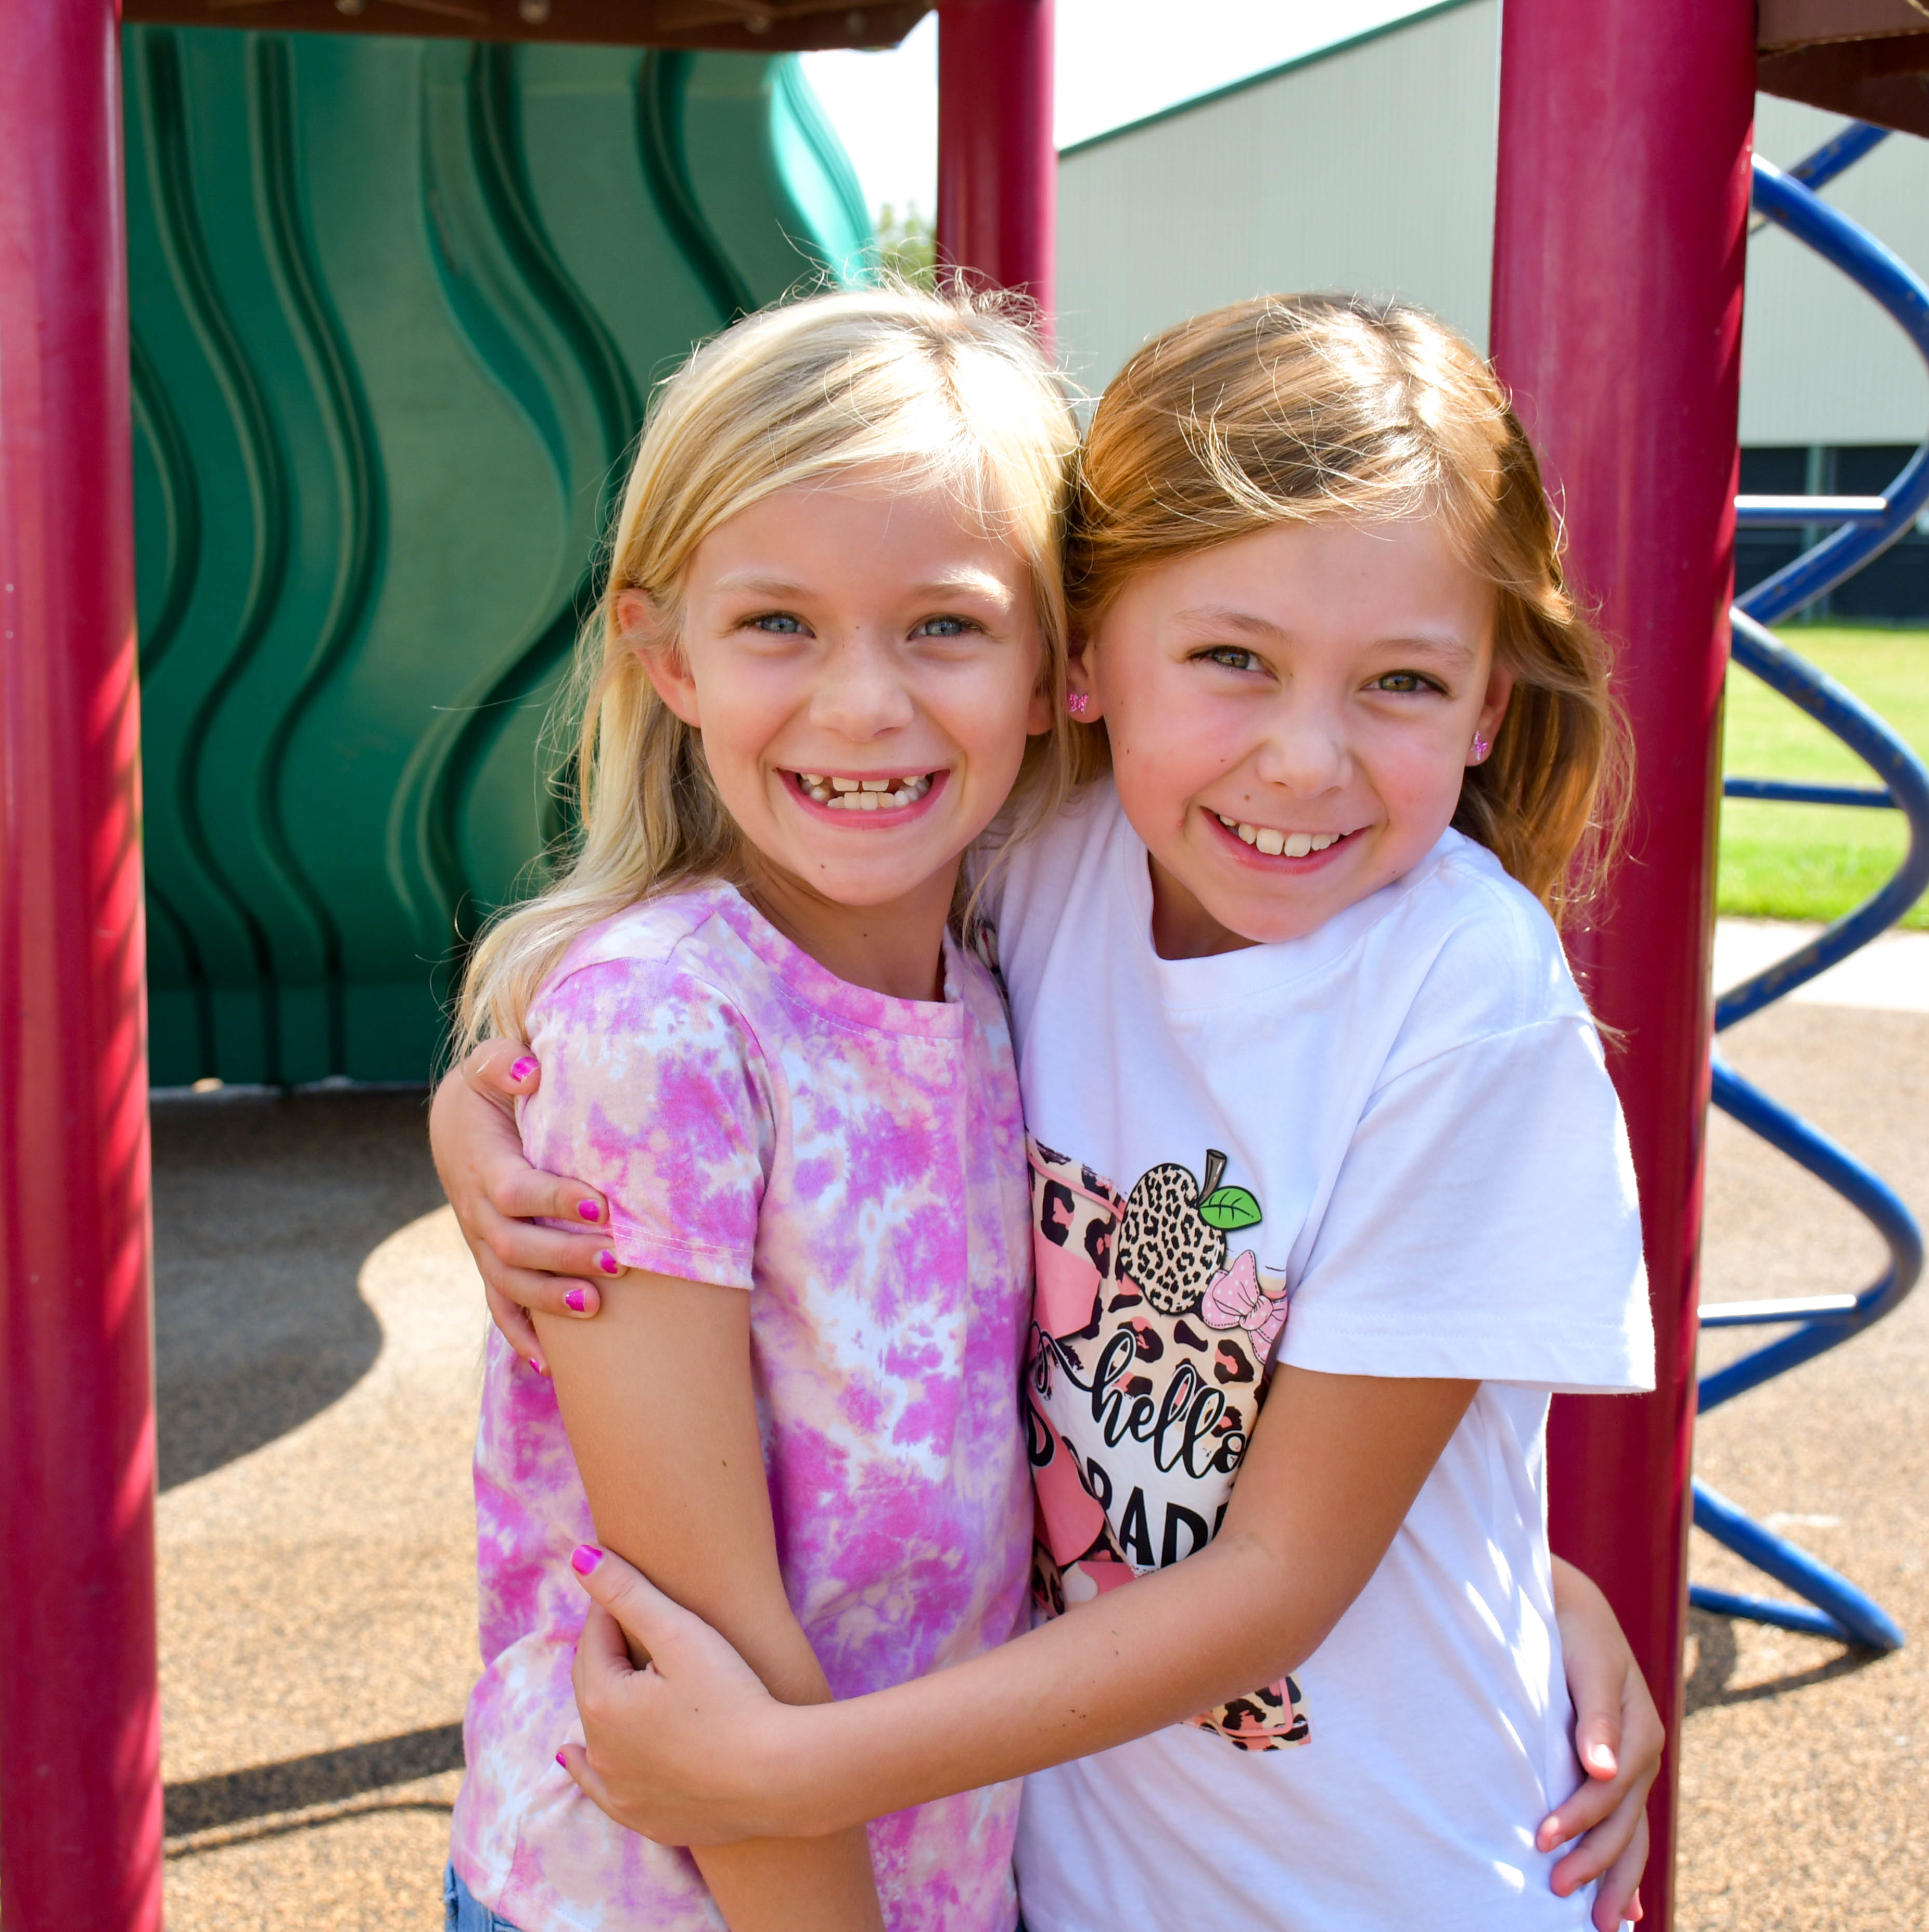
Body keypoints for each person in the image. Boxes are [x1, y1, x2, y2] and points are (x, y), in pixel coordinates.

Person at [434, 294, 1665, 1932]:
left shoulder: (1457, 997)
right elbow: (668, 1016)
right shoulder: (1044, 869)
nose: (1299, 760)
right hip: (989, 1880)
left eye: (1400, 683)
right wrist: (487, 1111)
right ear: (1087, 669)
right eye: (1231, 658)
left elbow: (1290, 1563)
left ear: (1489, 702)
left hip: (1369, 1880)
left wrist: (1522, 1581)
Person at [442, 283, 1085, 1932]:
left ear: (1051, 667)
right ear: (663, 656)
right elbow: (694, 1617)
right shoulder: (663, 1031)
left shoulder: (1004, 962)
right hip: (677, 1895)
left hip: (929, 1872)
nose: (863, 704)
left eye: (942, 623)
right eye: (778, 625)